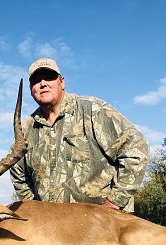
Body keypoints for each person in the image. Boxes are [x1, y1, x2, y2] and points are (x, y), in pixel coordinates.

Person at [10, 58, 149, 212]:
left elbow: (136, 148)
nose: (43, 84)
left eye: (49, 77)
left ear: (62, 82)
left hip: (104, 225)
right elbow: (18, 175)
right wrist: (36, 212)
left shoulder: (92, 110)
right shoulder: (27, 128)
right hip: (51, 229)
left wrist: (114, 204)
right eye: (36, 81)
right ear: (31, 89)